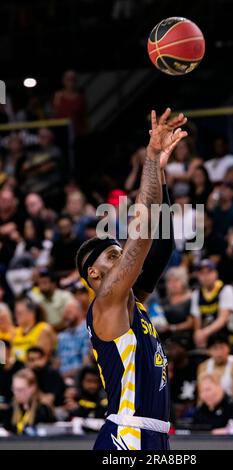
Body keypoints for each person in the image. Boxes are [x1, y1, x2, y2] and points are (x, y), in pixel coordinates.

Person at [75, 108, 187, 450]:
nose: (122, 256)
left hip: (152, 435)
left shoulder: (130, 302)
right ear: (94, 274)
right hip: (128, 436)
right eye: (113, 255)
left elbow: (163, 244)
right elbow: (144, 233)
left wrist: (161, 175)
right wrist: (150, 158)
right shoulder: (107, 301)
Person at [191, 260, 233, 348]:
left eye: (209, 272)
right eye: (202, 273)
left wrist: (204, 333)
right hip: (206, 336)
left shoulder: (226, 290)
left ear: (216, 273)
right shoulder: (196, 294)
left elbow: (223, 320)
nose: (205, 276)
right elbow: (197, 321)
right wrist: (198, 334)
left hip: (225, 335)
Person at [1, 368, 55, 434]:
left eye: (20, 390)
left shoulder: (43, 410)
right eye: (14, 389)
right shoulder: (11, 408)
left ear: (32, 388)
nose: (16, 393)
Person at [198, 333, 233, 398]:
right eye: (215, 348)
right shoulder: (203, 367)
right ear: (208, 350)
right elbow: (201, 394)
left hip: (231, 405)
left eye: (222, 347)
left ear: (228, 348)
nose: (219, 352)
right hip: (210, 403)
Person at [12, 297, 55, 363]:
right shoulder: (15, 331)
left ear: (31, 314)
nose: (16, 316)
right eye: (15, 313)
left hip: (33, 369)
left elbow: (40, 359)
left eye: (19, 313)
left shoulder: (43, 329)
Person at [56, 300, 90, 379]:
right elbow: (58, 361)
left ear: (80, 311)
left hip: (80, 377)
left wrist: (69, 374)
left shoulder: (87, 330)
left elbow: (87, 362)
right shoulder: (62, 336)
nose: (65, 315)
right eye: (65, 313)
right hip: (62, 378)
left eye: (69, 312)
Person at [166, 339, 197, 423]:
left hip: (193, 408)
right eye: (169, 348)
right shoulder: (168, 369)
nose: (171, 351)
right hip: (173, 410)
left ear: (184, 348)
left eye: (174, 347)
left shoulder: (196, 367)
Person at [161, 267, 194, 345]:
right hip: (164, 336)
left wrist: (172, 327)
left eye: (176, 281)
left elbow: (191, 323)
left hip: (183, 337)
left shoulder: (190, 299)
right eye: (170, 281)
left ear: (183, 282)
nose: (172, 284)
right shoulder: (164, 300)